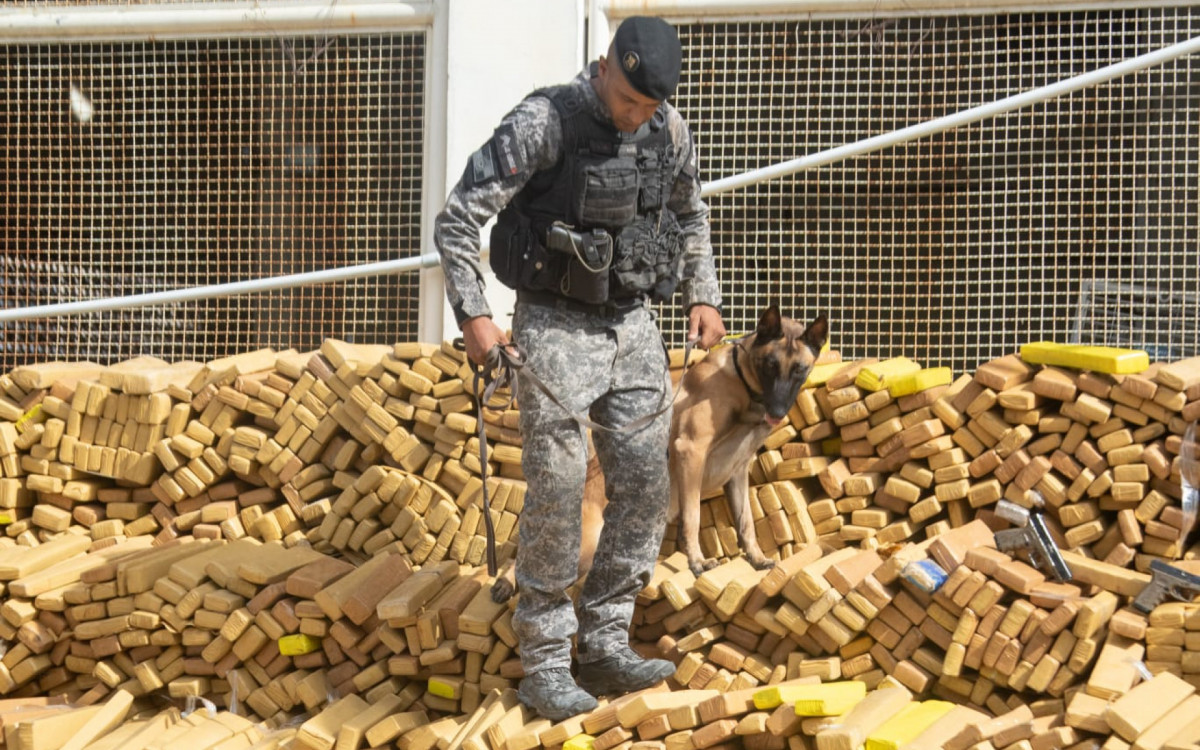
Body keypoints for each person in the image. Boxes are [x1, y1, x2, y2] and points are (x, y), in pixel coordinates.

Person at [433, 16, 726, 721]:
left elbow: (690, 214)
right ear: (603, 68)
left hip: (632, 324)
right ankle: (543, 660)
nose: (635, 117)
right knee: (561, 488)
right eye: (627, 101)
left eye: (647, 108)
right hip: (556, 323)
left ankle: (604, 640)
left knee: (646, 482)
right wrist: (474, 314)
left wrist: (704, 295)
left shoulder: (668, 130)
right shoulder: (545, 121)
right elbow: (458, 218)